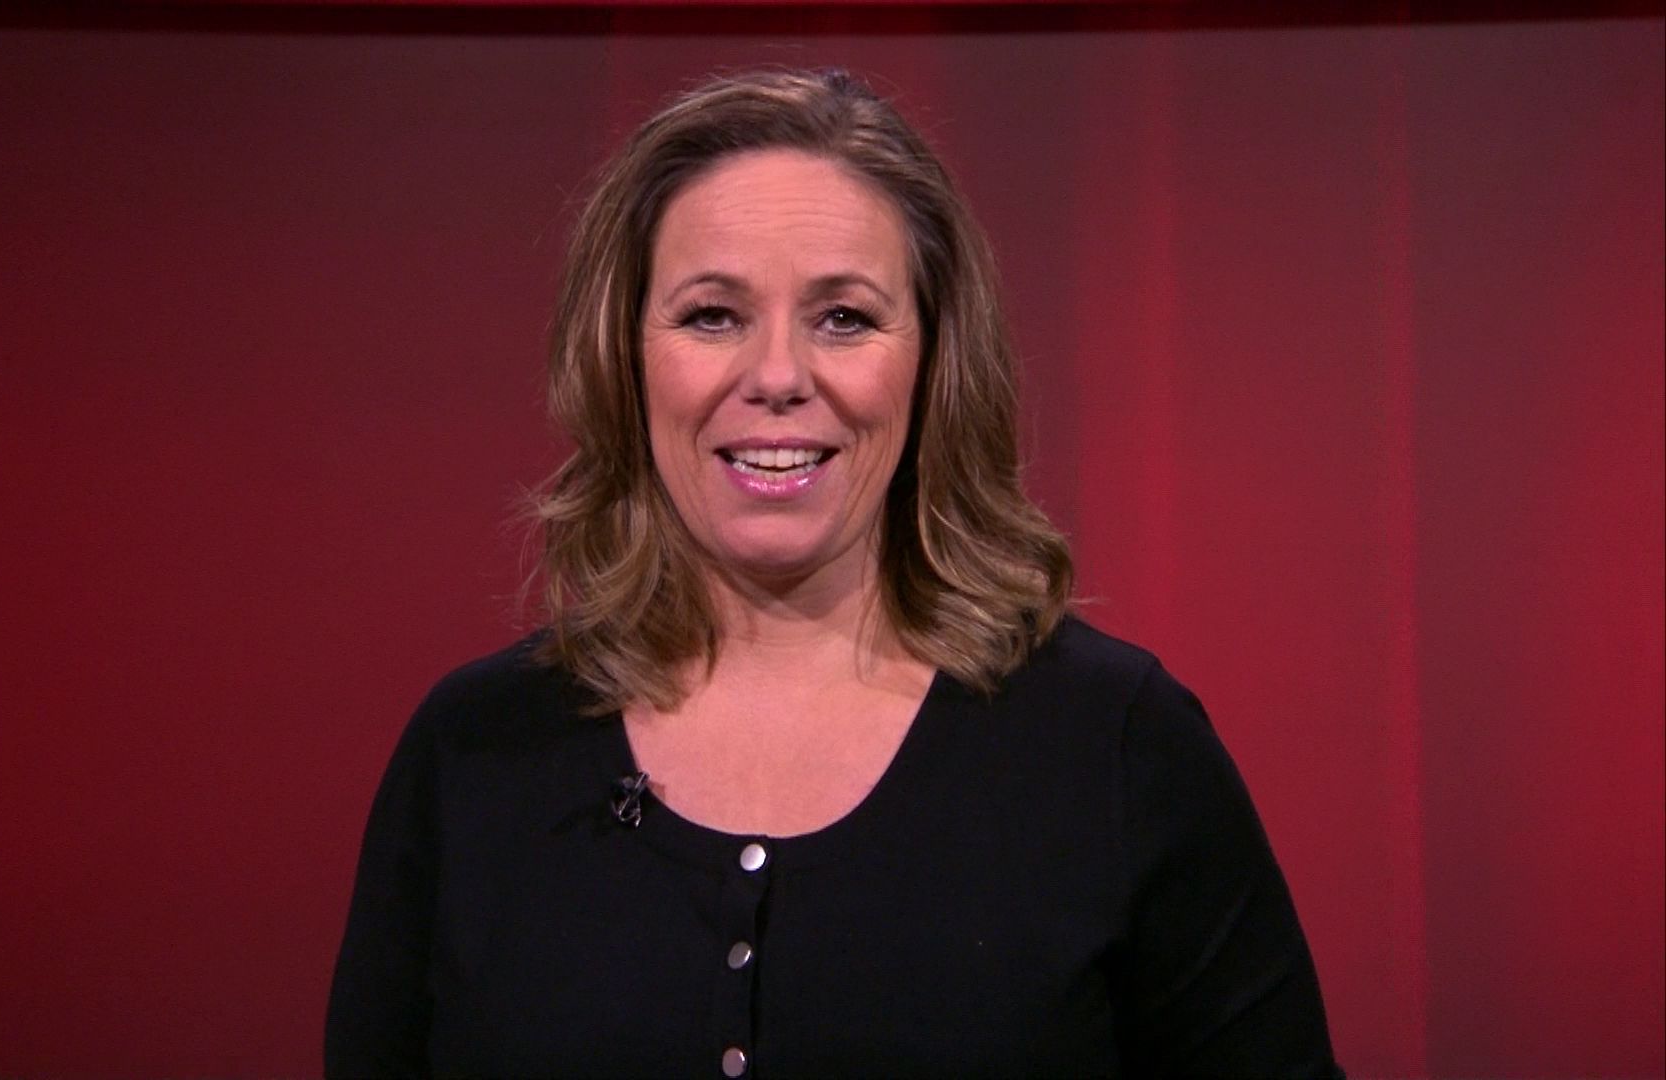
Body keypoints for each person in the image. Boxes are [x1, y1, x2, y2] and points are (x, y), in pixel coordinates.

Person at [327, 68, 1341, 1078]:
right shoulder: (475, 753)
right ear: (622, 358)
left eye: (844, 318)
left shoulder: (1114, 746)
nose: (777, 377)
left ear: (933, 363)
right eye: (712, 315)